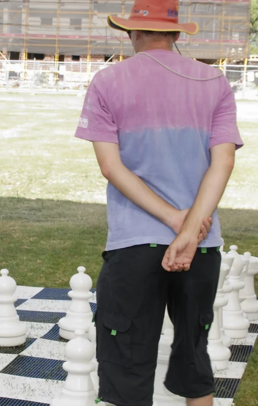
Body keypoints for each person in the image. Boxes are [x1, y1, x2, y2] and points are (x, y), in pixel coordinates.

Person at [74, 1, 243, 405]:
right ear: (176, 34)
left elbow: (111, 168)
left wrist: (174, 220)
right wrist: (189, 230)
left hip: (134, 244)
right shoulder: (215, 81)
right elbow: (224, 161)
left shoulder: (107, 80)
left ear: (131, 32)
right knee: (195, 363)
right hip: (201, 245)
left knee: (125, 369)